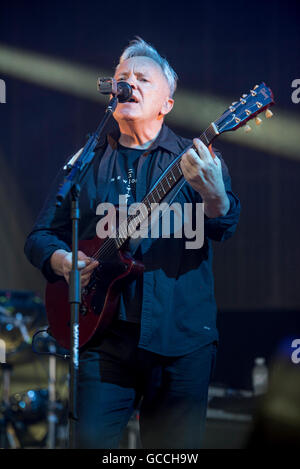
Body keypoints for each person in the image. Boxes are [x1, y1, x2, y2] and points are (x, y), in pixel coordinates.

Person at [24, 37, 240, 448]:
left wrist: (215, 195)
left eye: (142, 78)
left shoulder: (194, 158)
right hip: (103, 341)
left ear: (167, 103)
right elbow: (39, 237)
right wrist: (62, 260)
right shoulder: (86, 161)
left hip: (182, 340)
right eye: (122, 77)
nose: (129, 84)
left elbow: (225, 224)